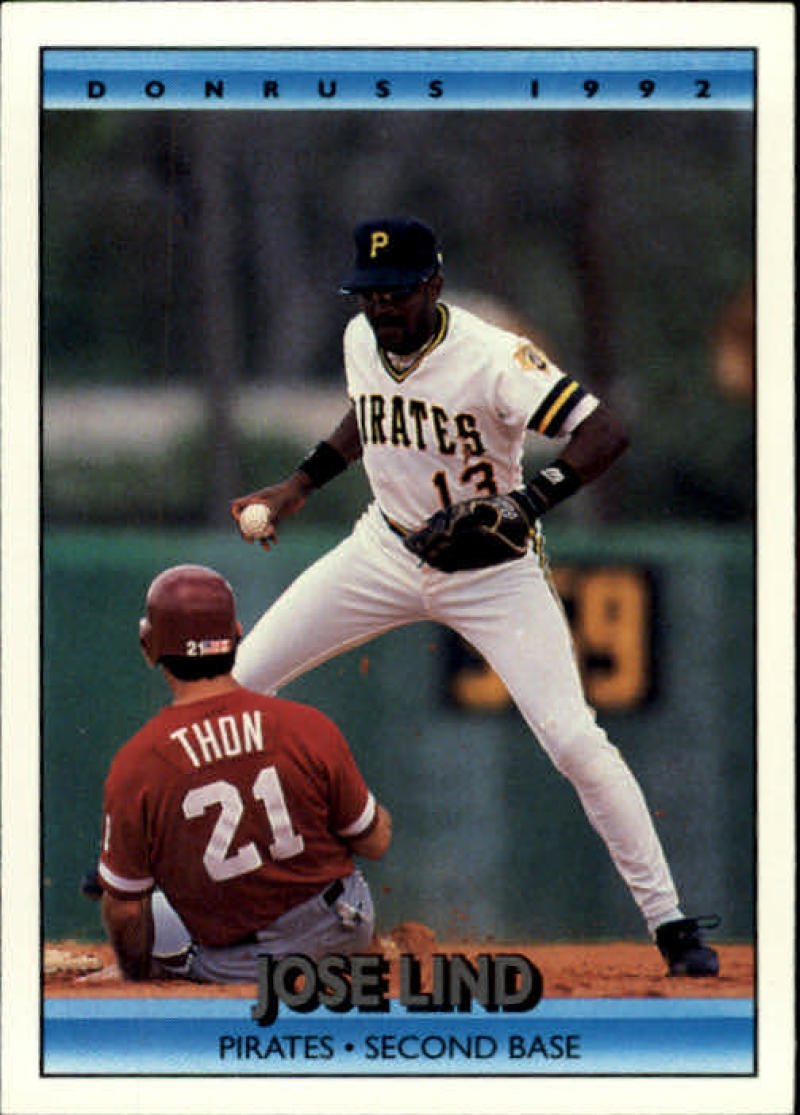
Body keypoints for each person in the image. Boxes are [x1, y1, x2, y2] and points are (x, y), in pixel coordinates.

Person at [230, 217, 718, 977]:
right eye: (368, 293)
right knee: (235, 686)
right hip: (383, 547)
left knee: (574, 741)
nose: (381, 307)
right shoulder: (364, 339)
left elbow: (606, 430)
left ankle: (673, 924)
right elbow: (369, 412)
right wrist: (299, 483)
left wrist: (530, 500)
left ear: (433, 284)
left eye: (395, 293)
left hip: (493, 569)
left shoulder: (492, 357)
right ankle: (171, 889)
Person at [95, 563, 392, 983]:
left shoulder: (138, 761)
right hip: (342, 932)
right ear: (236, 634)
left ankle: (153, 981)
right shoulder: (305, 724)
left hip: (240, 967)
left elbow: (124, 907)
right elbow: (374, 841)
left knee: (141, 905)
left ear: (149, 646)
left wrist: (132, 977)